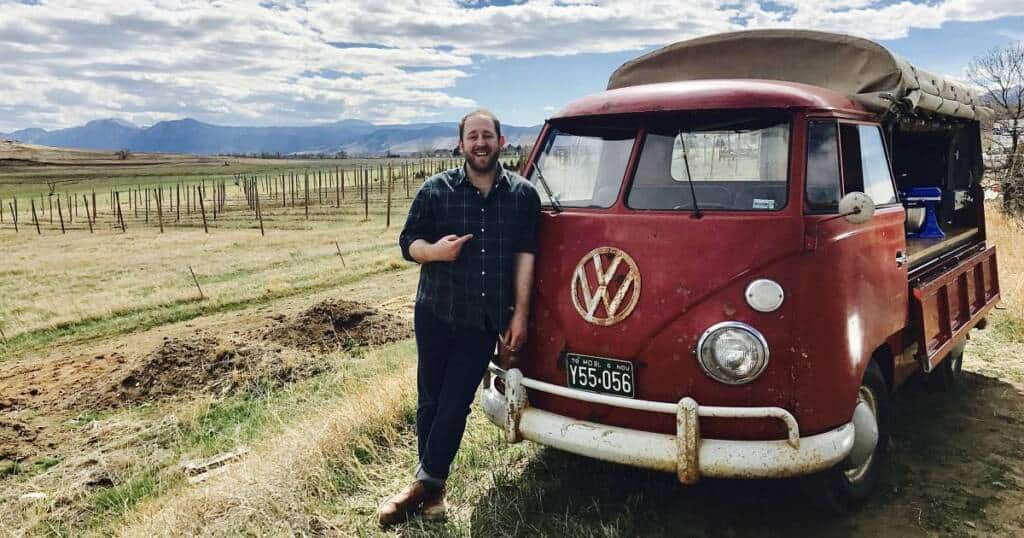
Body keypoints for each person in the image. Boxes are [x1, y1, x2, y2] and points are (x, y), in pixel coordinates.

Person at [378, 109, 541, 526]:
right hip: (435, 309)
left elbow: (526, 257)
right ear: (462, 143)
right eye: (473, 136)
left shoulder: (522, 196)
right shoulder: (436, 191)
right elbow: (407, 243)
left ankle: (420, 485)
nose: (480, 143)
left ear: (501, 142)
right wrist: (436, 252)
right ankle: (432, 495)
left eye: (488, 135)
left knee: (456, 400)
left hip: (482, 318)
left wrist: (520, 314)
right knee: (430, 398)